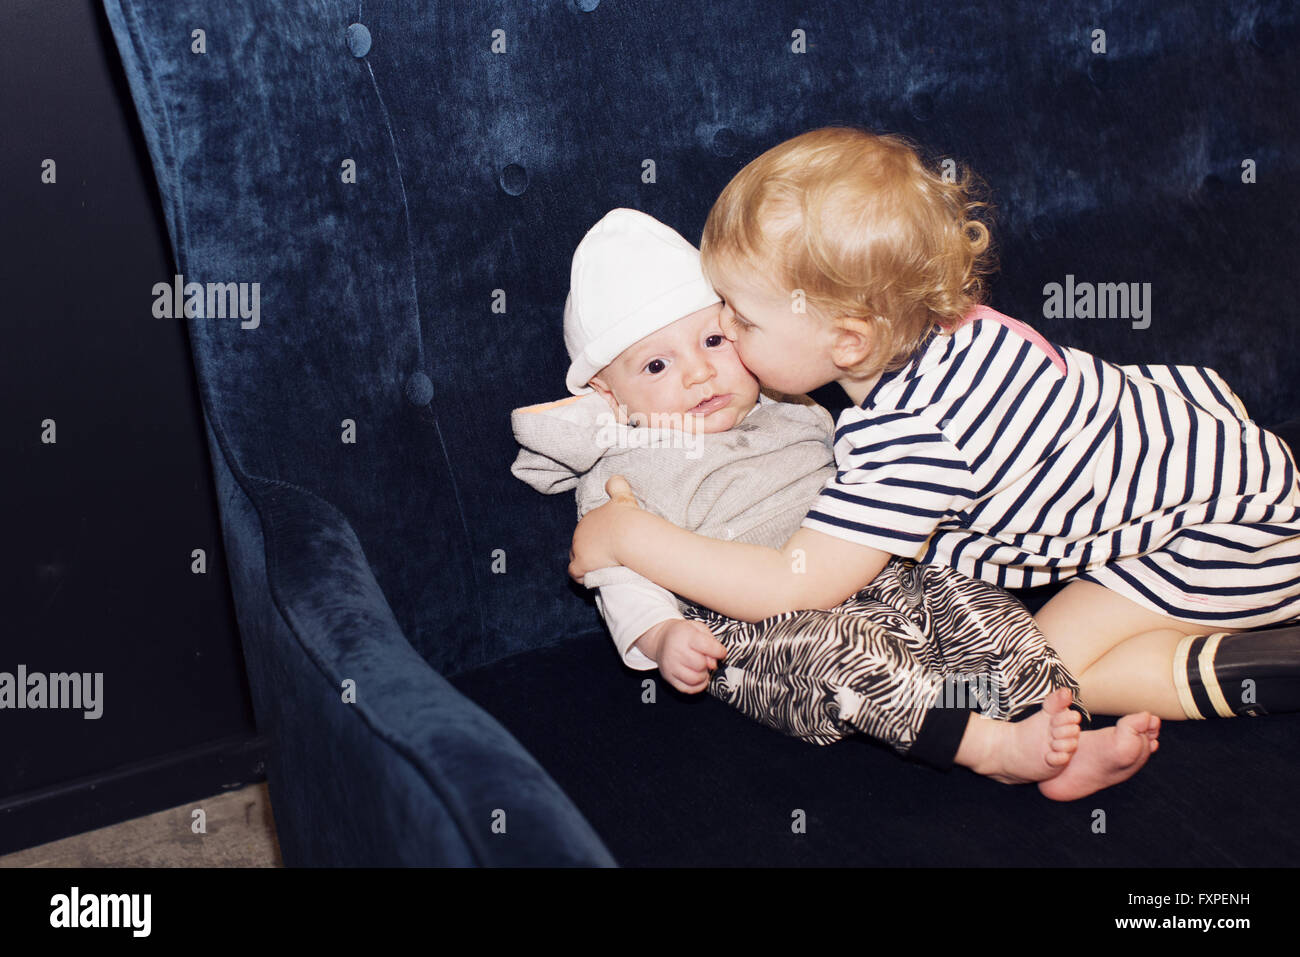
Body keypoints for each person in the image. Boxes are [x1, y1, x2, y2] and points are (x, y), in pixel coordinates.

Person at [567, 127, 1300, 729]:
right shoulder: (950, 325)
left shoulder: (907, 435)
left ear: (847, 341)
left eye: (740, 316)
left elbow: (793, 586)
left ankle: (1241, 667)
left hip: (1229, 536)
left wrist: (629, 536)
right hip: (1218, 461)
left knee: (1028, 677)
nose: (721, 326)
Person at [517, 207, 1162, 802]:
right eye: (656, 366)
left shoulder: (793, 408)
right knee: (846, 656)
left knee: (980, 606)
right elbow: (616, 568)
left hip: (883, 574)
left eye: (713, 342)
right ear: (607, 392)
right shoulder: (621, 468)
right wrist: (660, 637)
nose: (697, 374)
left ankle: (1049, 723)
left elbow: (874, 491)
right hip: (759, 631)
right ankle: (989, 749)